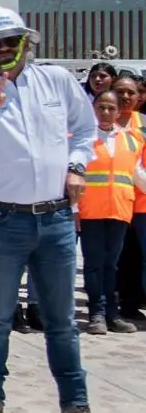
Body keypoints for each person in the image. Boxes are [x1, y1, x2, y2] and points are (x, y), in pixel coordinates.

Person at [0, 7, 112, 413]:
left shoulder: (57, 81)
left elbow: (85, 130)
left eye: (11, 41)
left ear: (26, 42)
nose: (4, 49)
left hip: (56, 218)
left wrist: (77, 167)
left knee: (62, 322)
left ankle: (76, 409)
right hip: (1, 220)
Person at [78, 90, 139, 335]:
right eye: (101, 107)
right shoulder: (83, 138)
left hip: (119, 210)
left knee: (111, 265)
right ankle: (97, 314)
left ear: (118, 111)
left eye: (111, 108)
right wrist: (73, 210)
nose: (105, 112)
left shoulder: (131, 139)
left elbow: (137, 175)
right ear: (93, 109)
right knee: (94, 265)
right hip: (90, 211)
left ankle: (112, 314)